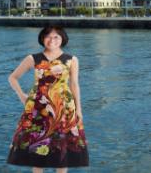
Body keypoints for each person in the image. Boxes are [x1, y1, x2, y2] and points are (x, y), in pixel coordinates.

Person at [7, 26, 89, 171]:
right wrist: (22, 95)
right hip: (38, 109)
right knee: (37, 149)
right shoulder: (33, 58)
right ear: (42, 39)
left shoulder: (72, 60)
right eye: (48, 36)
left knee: (63, 151)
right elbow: (12, 78)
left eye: (56, 37)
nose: (52, 40)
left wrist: (79, 110)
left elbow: (75, 85)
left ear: (62, 39)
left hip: (64, 108)